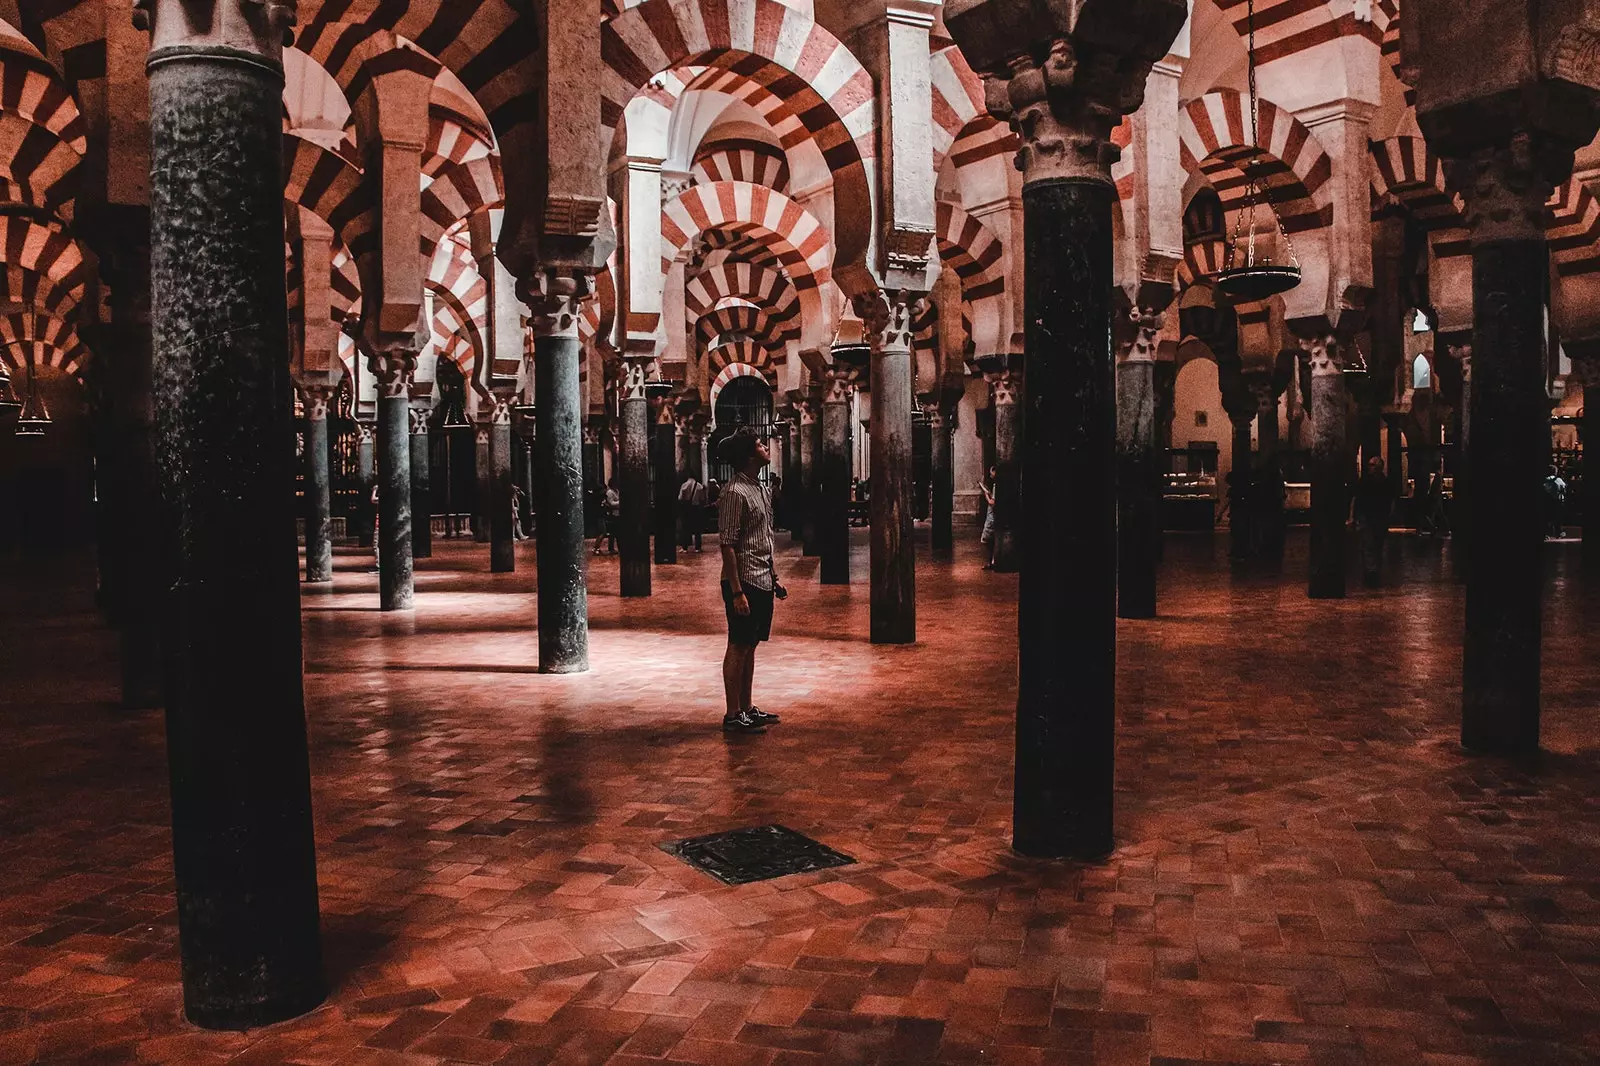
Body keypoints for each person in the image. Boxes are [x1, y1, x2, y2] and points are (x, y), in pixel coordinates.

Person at [717, 428, 786, 734]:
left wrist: (773, 576)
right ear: (748, 455)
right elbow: (728, 544)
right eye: (759, 444)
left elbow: (762, 538)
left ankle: (746, 707)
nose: (765, 446)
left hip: (761, 576)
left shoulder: (759, 488)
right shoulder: (734, 492)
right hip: (743, 581)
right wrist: (736, 592)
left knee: (751, 644)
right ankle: (733, 715)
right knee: (738, 644)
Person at [1354, 456, 1394, 586]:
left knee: (1376, 545)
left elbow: (1391, 500)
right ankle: (1372, 570)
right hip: (1369, 517)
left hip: (1378, 518)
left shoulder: (1383, 482)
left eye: (1372, 465)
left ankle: (1373, 570)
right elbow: (1357, 499)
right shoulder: (1368, 482)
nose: (1369, 467)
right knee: (1370, 544)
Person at [678, 471, 707, 552]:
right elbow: (702, 499)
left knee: (685, 528)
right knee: (697, 528)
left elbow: (680, 498)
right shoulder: (699, 486)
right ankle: (697, 547)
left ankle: (684, 547)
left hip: (686, 509)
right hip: (696, 508)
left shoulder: (684, 485)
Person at [594, 479, 619, 555]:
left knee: (607, 532)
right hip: (603, 515)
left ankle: (597, 548)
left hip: (604, 515)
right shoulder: (607, 494)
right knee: (603, 532)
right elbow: (611, 504)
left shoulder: (615, 492)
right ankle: (596, 548)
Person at [979, 465, 997, 569]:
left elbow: (992, 502)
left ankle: (992, 561)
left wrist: (986, 494)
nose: (991, 476)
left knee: (986, 539)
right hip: (994, 516)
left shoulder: (996, 485)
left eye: (992, 473)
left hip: (993, 516)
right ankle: (992, 561)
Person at [1545, 465, 1568, 539]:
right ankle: (1558, 533)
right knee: (1557, 518)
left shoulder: (1544, 480)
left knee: (1548, 518)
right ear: (1555, 472)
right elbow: (1564, 490)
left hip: (1547, 502)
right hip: (1557, 502)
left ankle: (1547, 534)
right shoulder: (1559, 480)